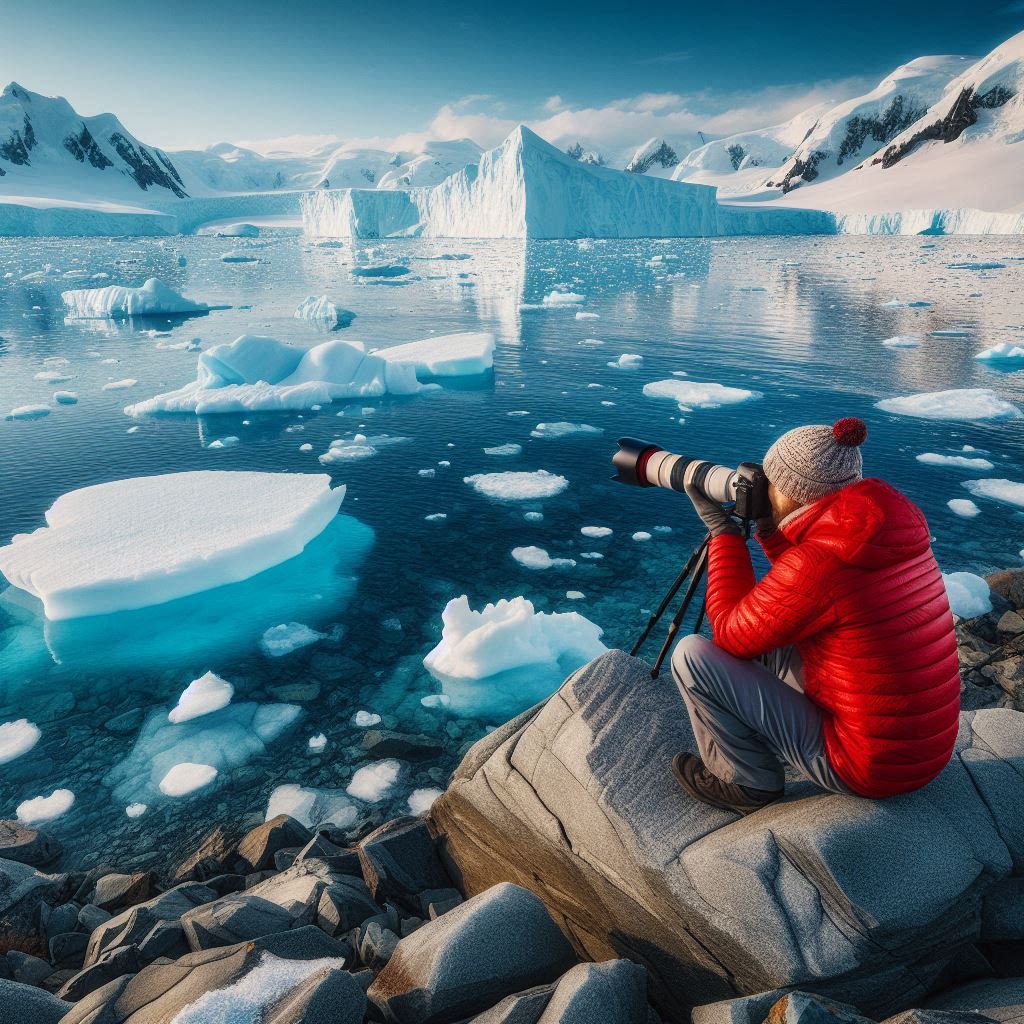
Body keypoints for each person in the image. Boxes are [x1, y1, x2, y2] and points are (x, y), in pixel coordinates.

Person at [671, 416, 961, 814]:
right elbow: (806, 596)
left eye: (769, 481)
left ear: (791, 491)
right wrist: (770, 531)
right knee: (774, 631)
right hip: (921, 751)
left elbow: (727, 634)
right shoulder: (882, 527)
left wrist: (723, 536)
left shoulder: (820, 563)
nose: (763, 489)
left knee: (694, 656)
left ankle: (747, 783)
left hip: (869, 766)